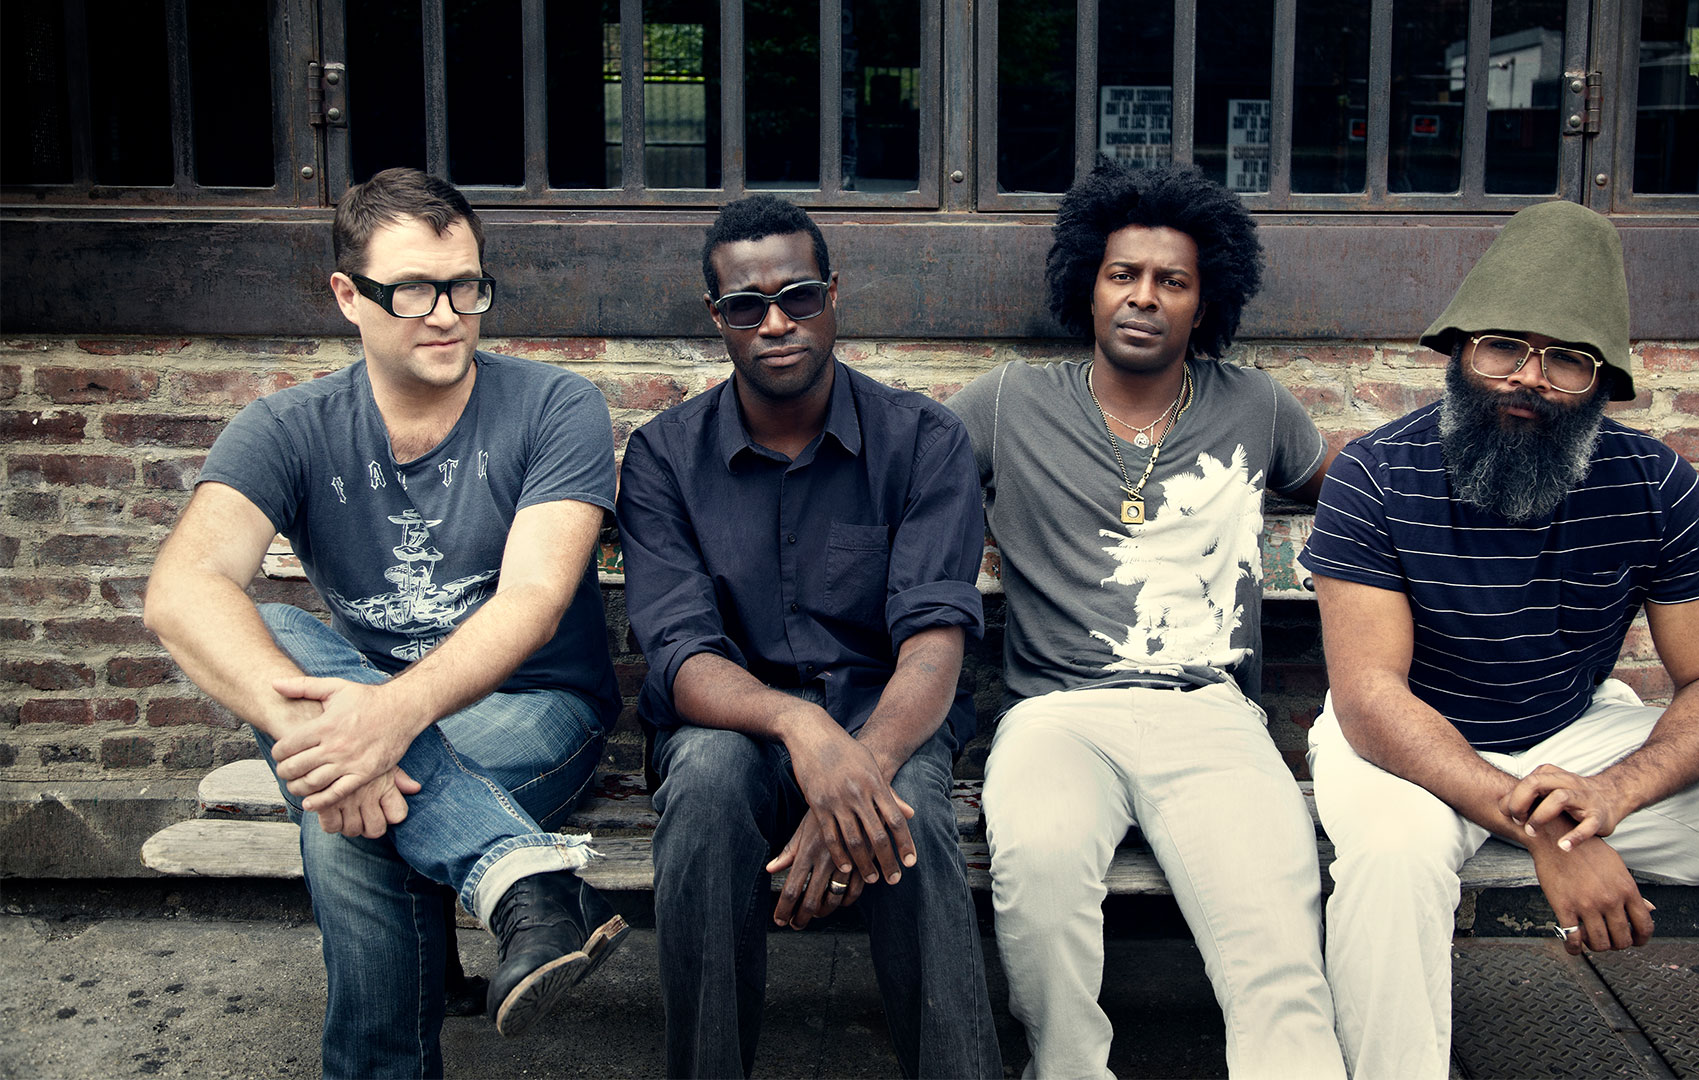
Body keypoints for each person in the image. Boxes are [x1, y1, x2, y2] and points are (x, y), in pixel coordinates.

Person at [1300, 200, 1699, 1079]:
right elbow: (1371, 698)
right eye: (1504, 347)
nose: (1528, 379)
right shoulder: (1375, 475)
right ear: (1460, 352)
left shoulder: (1654, 483)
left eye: (1566, 360)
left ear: (1601, 381)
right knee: (1390, 861)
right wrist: (1554, 836)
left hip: (1576, 733)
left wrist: (1610, 796)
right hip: (1406, 741)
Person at [144, 167, 628, 1077]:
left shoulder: (554, 405)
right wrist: (340, 735)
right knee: (274, 637)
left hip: (537, 707)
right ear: (347, 296)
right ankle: (525, 880)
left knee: (348, 821)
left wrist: (385, 722)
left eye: (465, 286)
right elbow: (181, 588)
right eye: (412, 290)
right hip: (365, 707)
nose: (446, 315)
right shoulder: (288, 427)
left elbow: (532, 600)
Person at [945, 160, 1345, 1078]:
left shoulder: (1254, 404)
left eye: (1173, 281)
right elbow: (900, 477)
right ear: (1087, 286)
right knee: (1039, 876)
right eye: (1122, 274)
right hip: (1057, 715)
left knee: (1276, 935)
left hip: (1210, 714)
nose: (1144, 297)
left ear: (1204, 305)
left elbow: (1358, 497)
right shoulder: (1010, 401)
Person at [617, 194, 1002, 1079]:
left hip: (885, 714)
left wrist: (856, 771)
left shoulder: (923, 440)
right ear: (717, 318)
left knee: (906, 808)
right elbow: (680, 654)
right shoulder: (666, 456)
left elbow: (934, 642)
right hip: (733, 725)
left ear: (833, 295)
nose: (776, 323)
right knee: (705, 786)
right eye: (746, 306)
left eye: (797, 296)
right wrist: (802, 728)